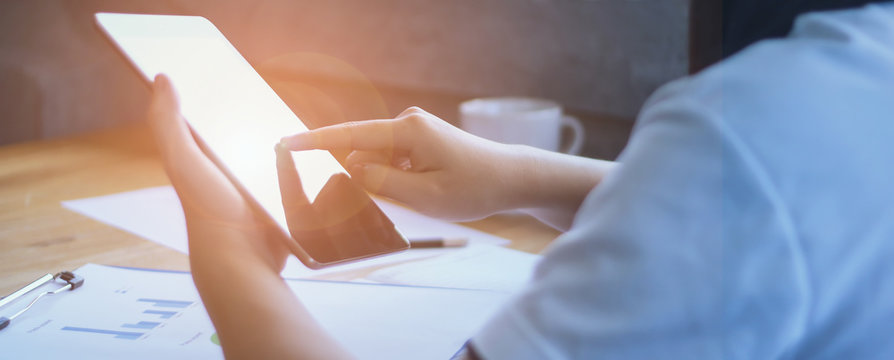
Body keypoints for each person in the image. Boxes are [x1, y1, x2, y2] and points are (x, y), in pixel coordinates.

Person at [147, 2, 894, 359]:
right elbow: (763, 225)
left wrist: (231, 255)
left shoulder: (761, 123)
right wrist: (524, 176)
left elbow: (751, 192)